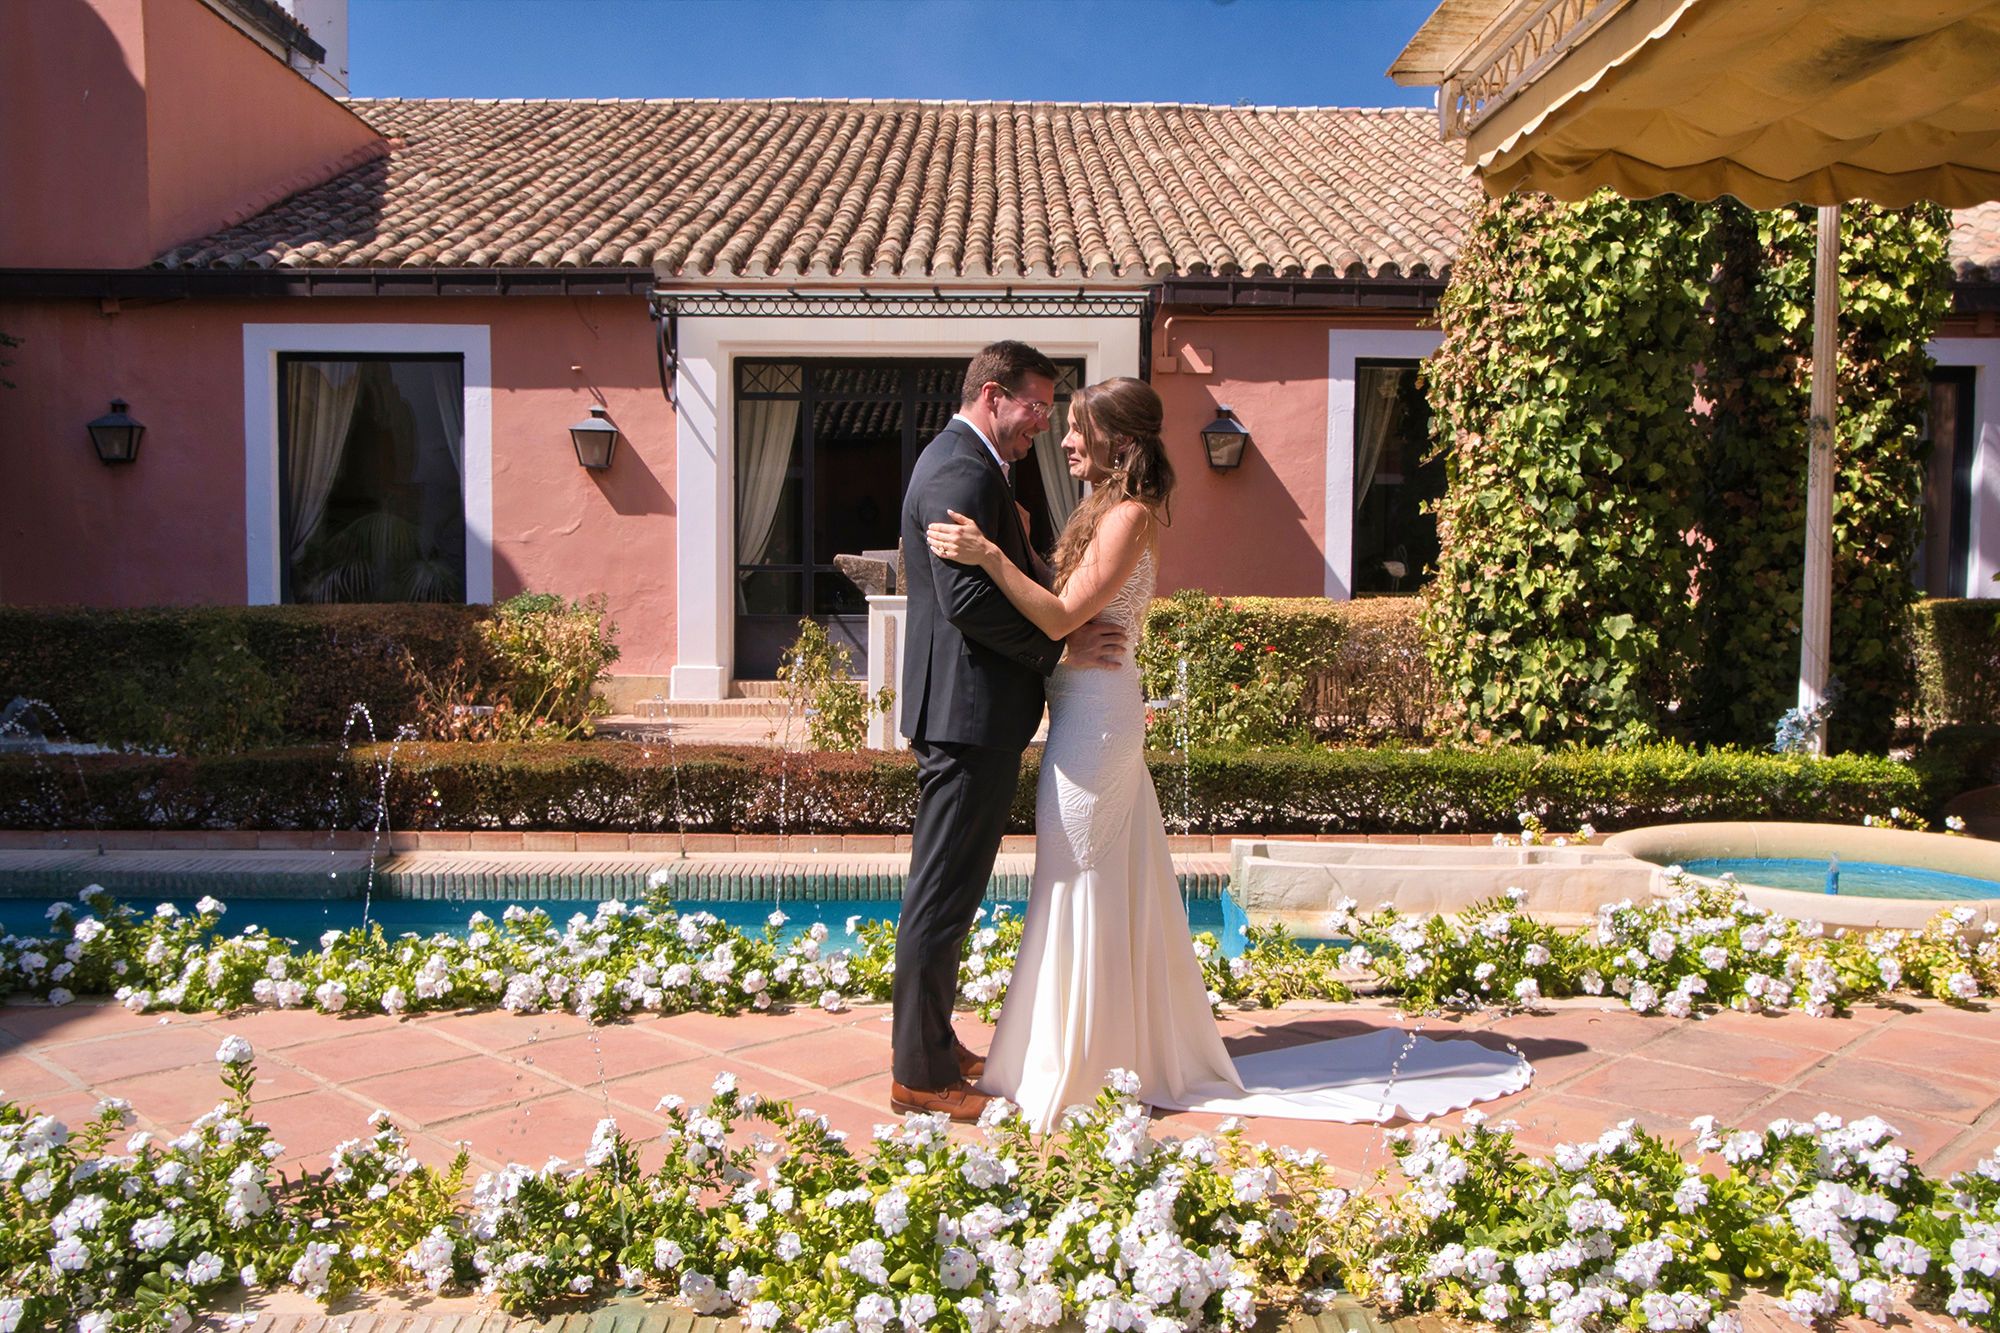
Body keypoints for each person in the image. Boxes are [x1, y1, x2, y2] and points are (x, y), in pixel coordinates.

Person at [927, 377, 1531, 1131]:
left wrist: (989, 554)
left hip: (1096, 722)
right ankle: (1097, 1054)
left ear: (1119, 439)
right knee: (1080, 877)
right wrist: (1018, 543)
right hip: (1084, 710)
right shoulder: (1103, 508)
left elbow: (1058, 615)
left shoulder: (1129, 513)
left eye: (1080, 428)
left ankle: (1080, 1066)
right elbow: (1065, 602)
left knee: (1077, 876)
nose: (1068, 440)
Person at [891, 341, 1125, 1121]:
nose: (1043, 424)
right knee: (941, 896)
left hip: (972, 715)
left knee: (950, 895)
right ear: (994, 395)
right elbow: (967, 604)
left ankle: (932, 1043)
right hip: (966, 718)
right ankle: (919, 1074)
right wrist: (1059, 647)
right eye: (1036, 406)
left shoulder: (974, 465)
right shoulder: (960, 469)